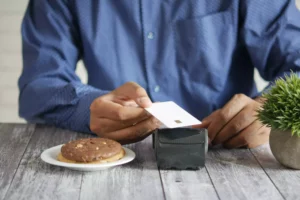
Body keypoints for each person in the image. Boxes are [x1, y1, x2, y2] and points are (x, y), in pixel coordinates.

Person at [19, 0, 300, 147]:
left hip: (230, 156)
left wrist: (269, 108)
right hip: (118, 161)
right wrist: (88, 108)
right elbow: (39, 86)